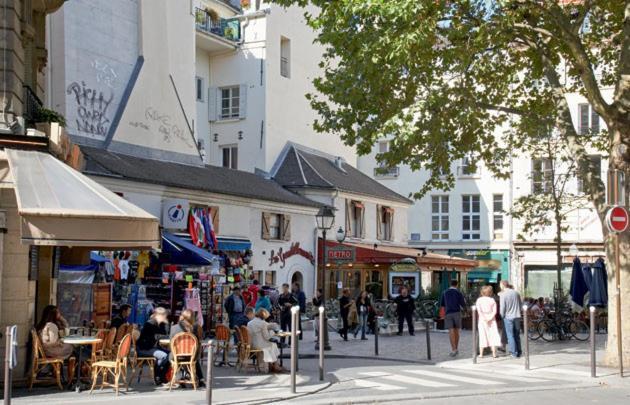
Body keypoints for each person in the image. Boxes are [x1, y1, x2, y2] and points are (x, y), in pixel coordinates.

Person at [36, 305, 75, 384]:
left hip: (47, 350)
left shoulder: (43, 324)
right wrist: (61, 341)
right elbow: (53, 342)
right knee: (73, 350)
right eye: (58, 312)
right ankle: (72, 378)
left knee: (74, 350)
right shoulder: (52, 326)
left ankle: (65, 376)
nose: (60, 314)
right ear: (54, 314)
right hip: (51, 350)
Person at [169, 309, 204, 386]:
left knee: (170, 356)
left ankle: (180, 377)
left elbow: (171, 343)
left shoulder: (174, 328)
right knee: (193, 360)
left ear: (182, 316)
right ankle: (200, 378)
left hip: (177, 355)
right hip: (192, 356)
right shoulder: (196, 328)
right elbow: (199, 342)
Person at [137, 307, 171, 384]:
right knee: (164, 356)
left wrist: (166, 324)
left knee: (170, 354)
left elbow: (165, 334)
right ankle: (158, 376)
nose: (165, 317)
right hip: (144, 348)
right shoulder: (150, 324)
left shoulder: (160, 324)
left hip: (153, 347)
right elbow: (159, 336)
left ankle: (161, 376)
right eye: (164, 315)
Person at [247, 308, 285, 373]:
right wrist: (273, 333)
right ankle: (275, 364)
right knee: (273, 345)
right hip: (260, 344)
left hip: (253, 343)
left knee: (272, 345)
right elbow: (266, 337)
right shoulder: (263, 323)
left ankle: (274, 364)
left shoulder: (250, 323)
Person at [439, 280, 466, 356]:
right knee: (457, 331)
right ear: (457, 285)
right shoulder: (458, 293)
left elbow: (442, 305)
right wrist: (466, 311)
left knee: (451, 331)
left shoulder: (445, 292)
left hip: (448, 313)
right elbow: (463, 304)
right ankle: (456, 348)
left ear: (450, 284)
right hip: (457, 313)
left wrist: (442, 315)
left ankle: (453, 349)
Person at [475, 285, 502, 358]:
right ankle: (494, 353)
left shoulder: (479, 300)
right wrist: (490, 318)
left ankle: (481, 354)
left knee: (482, 336)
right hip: (492, 320)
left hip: (482, 320)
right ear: (490, 293)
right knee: (493, 336)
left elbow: (479, 311)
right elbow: (495, 311)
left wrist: (484, 318)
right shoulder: (492, 300)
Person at [499, 280, 523, 358]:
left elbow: (502, 307)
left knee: (510, 335)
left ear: (502, 285)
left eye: (500, 285)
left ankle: (513, 352)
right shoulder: (516, 293)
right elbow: (520, 305)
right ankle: (519, 351)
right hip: (517, 316)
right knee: (517, 335)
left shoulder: (503, 294)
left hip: (508, 317)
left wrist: (502, 315)